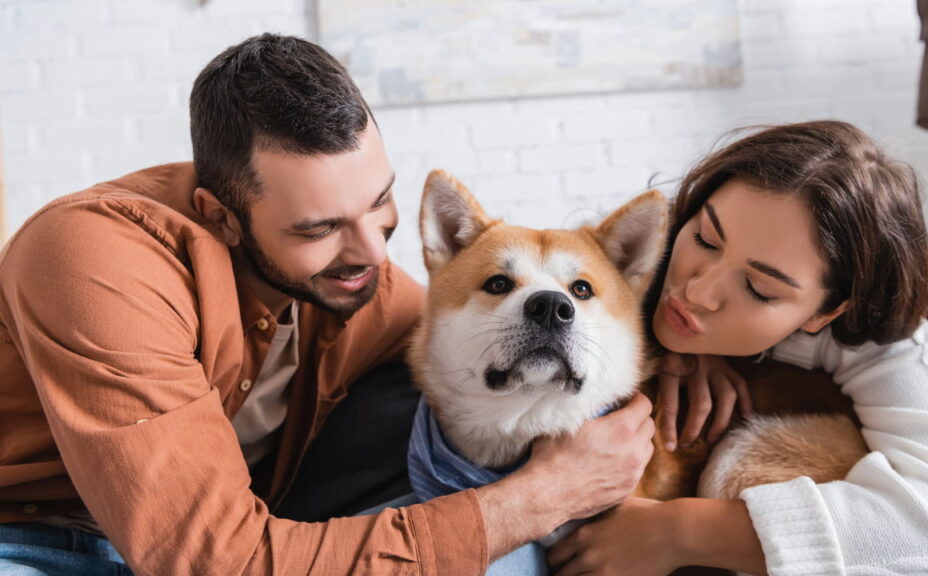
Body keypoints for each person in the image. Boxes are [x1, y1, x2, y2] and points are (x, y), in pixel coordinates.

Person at [0, 34, 655, 575]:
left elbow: (485, 333)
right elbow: (212, 562)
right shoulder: (98, 262)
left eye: (380, 203)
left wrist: (689, 357)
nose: (372, 252)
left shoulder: (356, 285)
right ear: (220, 217)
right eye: (318, 230)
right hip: (36, 543)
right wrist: (536, 501)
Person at [547, 121, 928, 575]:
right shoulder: (650, 241)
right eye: (706, 239)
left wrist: (679, 532)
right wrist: (674, 345)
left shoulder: (888, 341)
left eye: (759, 289)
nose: (696, 292)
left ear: (825, 313)